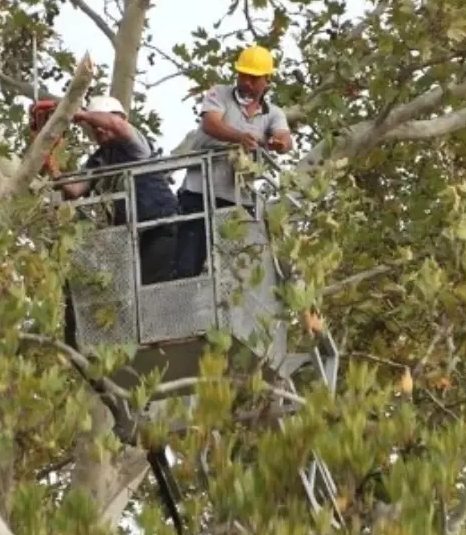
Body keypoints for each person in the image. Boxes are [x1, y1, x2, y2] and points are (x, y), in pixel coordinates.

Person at [52, 95, 179, 344]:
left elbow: (117, 127)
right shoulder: (100, 159)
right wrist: (53, 166)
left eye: (104, 123)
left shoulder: (135, 143)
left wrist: (79, 114)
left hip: (162, 223)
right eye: (95, 127)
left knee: (150, 286)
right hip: (132, 235)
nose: (100, 129)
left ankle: (155, 339)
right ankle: (121, 342)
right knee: (118, 289)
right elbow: (76, 190)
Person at [174, 44, 293, 278]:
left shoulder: (274, 113)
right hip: (200, 193)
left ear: (267, 80)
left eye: (254, 77)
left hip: (238, 198)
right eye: (243, 75)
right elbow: (211, 124)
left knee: (237, 269)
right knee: (188, 263)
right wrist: (240, 138)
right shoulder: (219, 93)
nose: (247, 81)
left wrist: (280, 143)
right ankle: (184, 302)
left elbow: (285, 139)